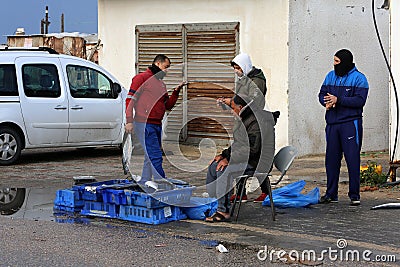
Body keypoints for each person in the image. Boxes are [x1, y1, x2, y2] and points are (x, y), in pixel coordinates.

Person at [205, 94, 275, 222]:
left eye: (232, 108)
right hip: (247, 158)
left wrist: (229, 159)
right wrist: (223, 155)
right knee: (214, 166)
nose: (231, 111)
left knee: (223, 170)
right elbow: (239, 144)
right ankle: (214, 203)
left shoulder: (256, 122)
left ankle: (223, 211)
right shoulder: (245, 118)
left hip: (258, 162)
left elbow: (252, 149)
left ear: (240, 107)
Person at [318, 49, 369, 206]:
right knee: (331, 160)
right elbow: (321, 94)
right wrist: (325, 102)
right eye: (334, 61)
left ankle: (354, 194)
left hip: (350, 124)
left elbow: (359, 101)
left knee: (352, 159)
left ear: (345, 62)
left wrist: (338, 100)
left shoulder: (359, 79)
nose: (334, 65)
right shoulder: (330, 76)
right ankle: (331, 193)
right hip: (332, 124)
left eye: (337, 62)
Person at [125, 54, 186, 182]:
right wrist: (129, 121)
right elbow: (130, 100)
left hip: (156, 124)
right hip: (144, 124)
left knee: (150, 156)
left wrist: (175, 92)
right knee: (155, 155)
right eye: (166, 67)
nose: (167, 70)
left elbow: (168, 105)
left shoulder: (161, 84)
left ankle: (145, 181)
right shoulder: (141, 78)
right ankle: (161, 182)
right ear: (157, 64)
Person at [218, 53, 269, 202]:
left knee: (253, 155)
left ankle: (265, 191)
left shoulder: (257, 81)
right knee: (241, 151)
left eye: (238, 67)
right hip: (243, 120)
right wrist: (229, 103)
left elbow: (253, 101)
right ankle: (241, 193)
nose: (236, 70)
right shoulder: (243, 80)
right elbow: (239, 101)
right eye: (234, 68)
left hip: (253, 120)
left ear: (245, 66)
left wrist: (233, 102)